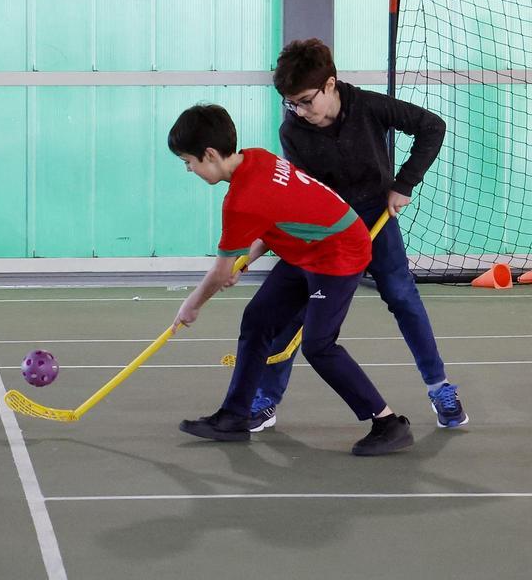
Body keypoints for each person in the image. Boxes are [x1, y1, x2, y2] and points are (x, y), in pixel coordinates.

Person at [244, 39, 466, 433]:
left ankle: (440, 388)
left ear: (330, 85)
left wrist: (404, 183)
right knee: (297, 310)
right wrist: (270, 238)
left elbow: (432, 127)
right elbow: (301, 191)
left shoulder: (369, 105)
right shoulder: (293, 131)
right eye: (291, 103)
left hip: (375, 215)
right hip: (327, 229)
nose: (299, 110)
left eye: (306, 100)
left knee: (402, 296)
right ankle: (266, 400)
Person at [168, 103, 414, 456]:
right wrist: (247, 257)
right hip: (307, 251)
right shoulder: (256, 159)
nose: (189, 169)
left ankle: (388, 423)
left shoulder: (241, 198)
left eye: (188, 161)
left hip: (338, 253)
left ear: (209, 154)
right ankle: (234, 416)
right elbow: (274, 222)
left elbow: (221, 272)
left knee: (319, 345)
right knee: (257, 319)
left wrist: (191, 305)